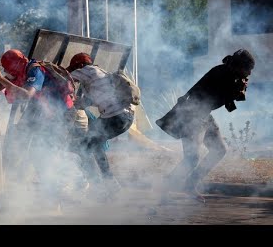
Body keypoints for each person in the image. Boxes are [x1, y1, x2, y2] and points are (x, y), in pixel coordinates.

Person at [156, 49, 255, 202]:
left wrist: (239, 89)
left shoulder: (230, 75)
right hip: (191, 116)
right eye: (247, 69)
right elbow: (231, 97)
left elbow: (229, 100)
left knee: (219, 150)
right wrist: (240, 90)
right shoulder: (223, 75)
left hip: (204, 115)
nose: (249, 73)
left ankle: (190, 184)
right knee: (192, 158)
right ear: (238, 66)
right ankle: (166, 186)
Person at [0, 49, 77, 193]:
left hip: (62, 114)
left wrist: (2, 79)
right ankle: (50, 184)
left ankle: (71, 182)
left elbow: (27, 95)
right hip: (47, 113)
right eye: (7, 69)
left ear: (20, 62)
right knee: (34, 147)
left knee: (47, 150)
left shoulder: (35, 71)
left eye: (10, 68)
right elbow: (4, 85)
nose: (10, 72)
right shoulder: (23, 71)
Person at [66, 52, 136, 189]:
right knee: (95, 145)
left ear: (80, 66)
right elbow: (92, 100)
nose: (76, 76)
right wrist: (78, 102)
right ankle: (109, 182)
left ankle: (95, 184)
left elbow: (65, 77)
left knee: (82, 146)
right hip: (123, 117)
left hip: (115, 117)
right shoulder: (100, 75)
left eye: (75, 69)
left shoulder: (89, 70)